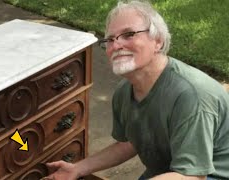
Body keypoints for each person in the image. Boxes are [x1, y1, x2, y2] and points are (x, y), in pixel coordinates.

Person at [45, 0, 229, 179]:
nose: (116, 45)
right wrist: (78, 168)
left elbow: (193, 175)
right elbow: (130, 143)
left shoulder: (190, 95)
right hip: (170, 170)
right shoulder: (124, 92)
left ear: (158, 41)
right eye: (110, 39)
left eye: (129, 34)